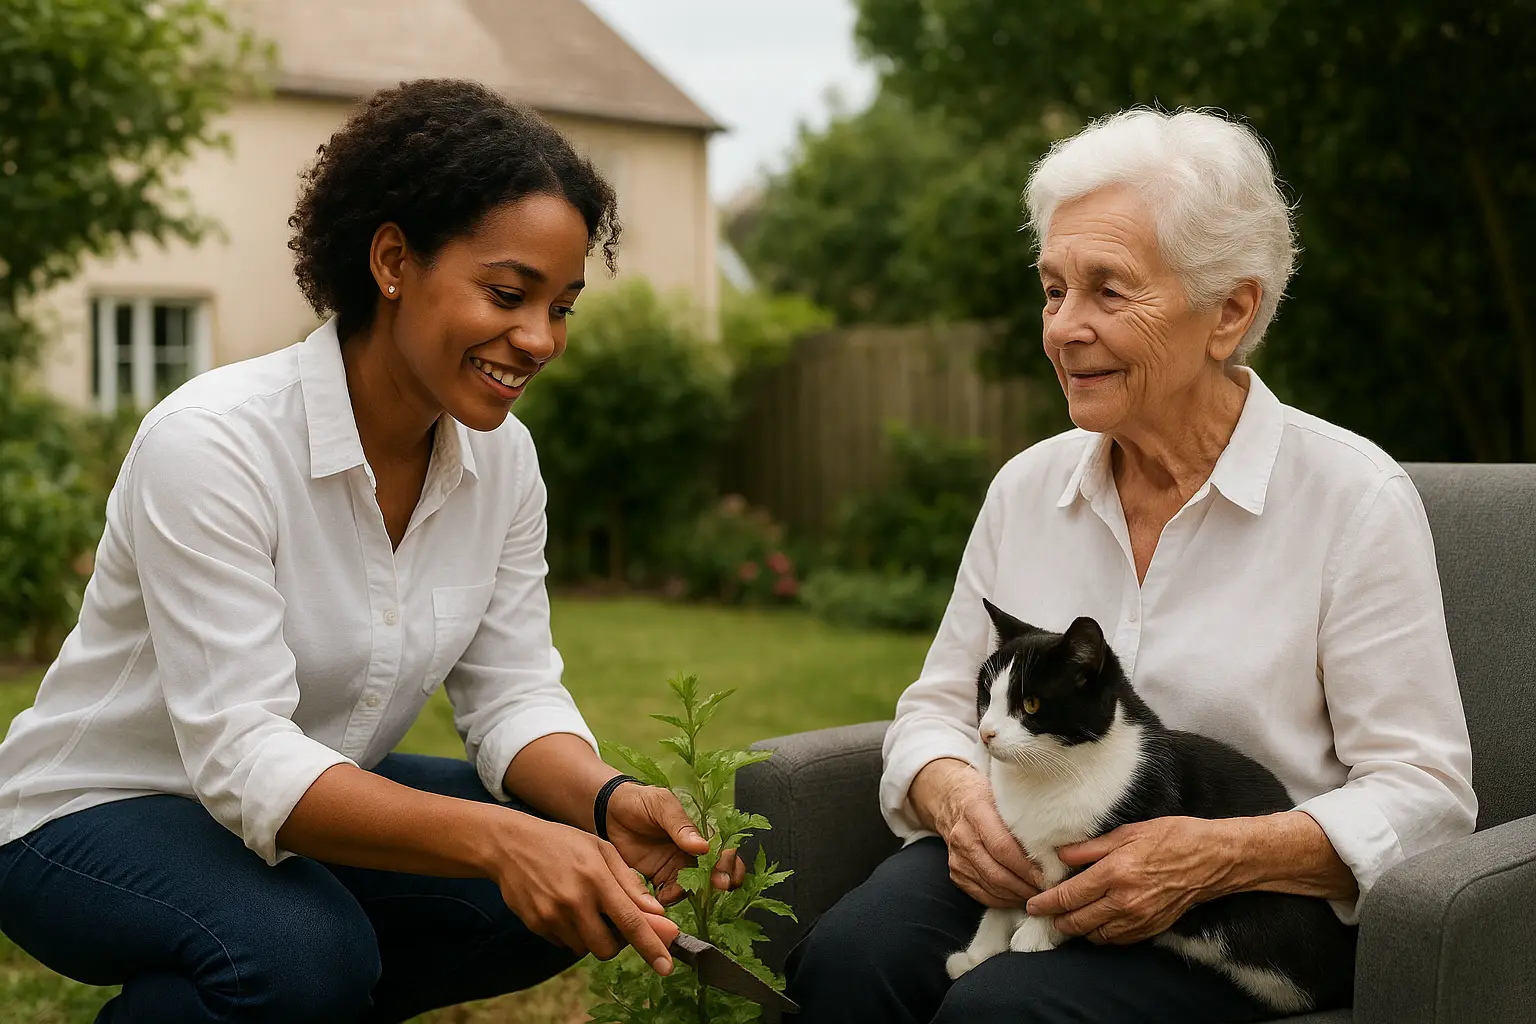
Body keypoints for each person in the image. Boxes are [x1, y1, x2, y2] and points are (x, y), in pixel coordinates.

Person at [0, 79, 743, 1023]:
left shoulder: (503, 461)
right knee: (307, 950)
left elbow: (512, 693)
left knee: (560, 878)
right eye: (508, 294)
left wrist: (603, 802)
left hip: (297, 793)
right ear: (393, 261)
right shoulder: (215, 443)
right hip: (91, 811)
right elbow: (242, 754)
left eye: (562, 306)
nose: (539, 339)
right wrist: (501, 843)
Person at [786, 107, 1477, 1023]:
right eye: (1053, 290)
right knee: (844, 964)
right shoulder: (1026, 489)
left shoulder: (1353, 500)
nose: (1064, 328)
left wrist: (1215, 856)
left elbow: (1426, 795)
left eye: (1108, 292)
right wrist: (956, 801)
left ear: (1230, 311)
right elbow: (934, 712)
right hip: (1028, 853)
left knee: (1001, 1012)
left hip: (1234, 912)